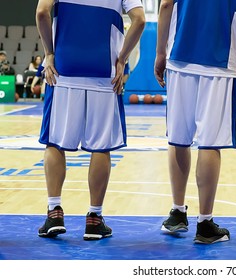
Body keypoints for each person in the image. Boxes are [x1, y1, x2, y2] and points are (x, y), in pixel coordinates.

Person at [154, 0, 236, 244]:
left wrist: (161, 52)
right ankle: (205, 223)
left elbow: (165, 5)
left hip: (179, 58)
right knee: (210, 143)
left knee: (178, 138)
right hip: (220, 63)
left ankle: (177, 212)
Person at [36, 0, 145, 240]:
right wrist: (122, 59)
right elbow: (140, 20)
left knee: (54, 142)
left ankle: (54, 212)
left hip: (64, 69)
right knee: (101, 145)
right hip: (103, 70)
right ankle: (94, 219)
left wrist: (49, 54)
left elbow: (42, 11)